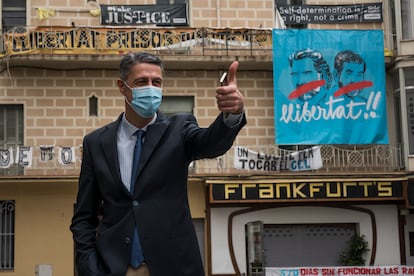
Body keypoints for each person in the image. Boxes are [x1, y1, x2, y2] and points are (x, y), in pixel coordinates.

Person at [70, 52, 246, 276]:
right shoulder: (96, 143)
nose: (151, 89)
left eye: (157, 82)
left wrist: (232, 114)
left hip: (173, 266)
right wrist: (90, 269)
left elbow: (212, 144)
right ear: (122, 87)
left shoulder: (180, 129)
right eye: (142, 82)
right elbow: (84, 217)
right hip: (115, 268)